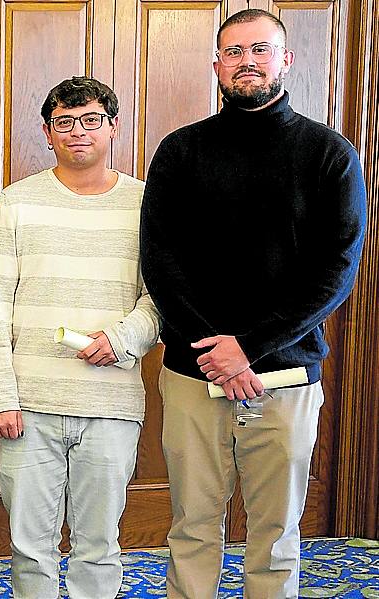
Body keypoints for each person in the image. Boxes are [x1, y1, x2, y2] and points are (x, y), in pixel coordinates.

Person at [140, 9, 366, 598]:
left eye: (260, 50)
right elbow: (160, 260)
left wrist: (249, 348)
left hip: (285, 375)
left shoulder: (328, 154)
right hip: (194, 371)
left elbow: (336, 269)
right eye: (234, 52)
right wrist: (215, 349)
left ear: (286, 60)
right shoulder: (180, 151)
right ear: (217, 65)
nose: (247, 62)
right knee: (192, 525)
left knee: (276, 531)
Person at [0, 76, 160, 598]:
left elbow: (161, 298)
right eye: (64, 123)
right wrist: (0, 397)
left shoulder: (145, 204)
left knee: (99, 544)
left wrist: (124, 338)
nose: (78, 132)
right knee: (29, 548)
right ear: (47, 131)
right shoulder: (15, 204)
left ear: (113, 127)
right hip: (27, 406)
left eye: (90, 121)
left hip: (110, 403)